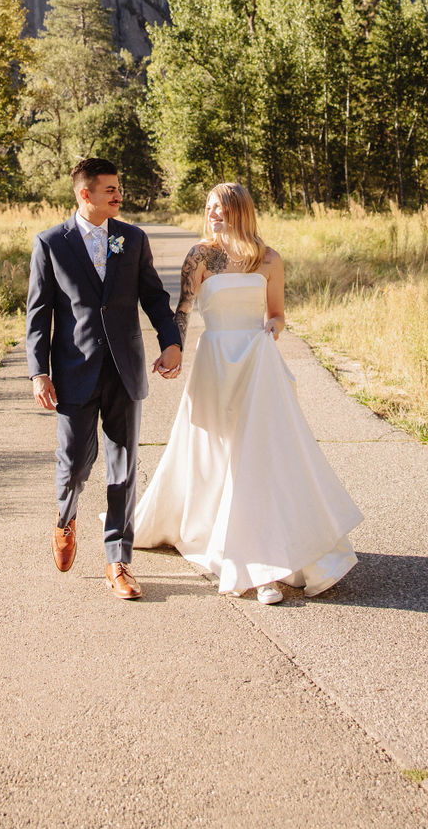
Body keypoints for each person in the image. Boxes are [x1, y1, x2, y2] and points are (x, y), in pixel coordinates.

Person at [134, 183, 362, 603]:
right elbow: (182, 310)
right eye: (208, 208)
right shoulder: (199, 256)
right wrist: (174, 351)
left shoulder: (269, 259)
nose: (212, 214)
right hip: (217, 364)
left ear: (240, 210)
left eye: (220, 208)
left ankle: (261, 566)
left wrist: (271, 331)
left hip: (257, 364)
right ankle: (235, 547)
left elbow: (277, 315)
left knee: (260, 456)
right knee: (220, 452)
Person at [26, 156, 183, 600]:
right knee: (75, 462)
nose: (118, 195)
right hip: (74, 373)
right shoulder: (51, 243)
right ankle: (65, 519)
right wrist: (39, 371)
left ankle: (119, 561)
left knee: (124, 468)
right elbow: (38, 317)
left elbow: (153, 296)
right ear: (85, 194)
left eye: (118, 187)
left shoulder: (132, 239)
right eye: (109, 189)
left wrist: (170, 340)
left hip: (125, 370)